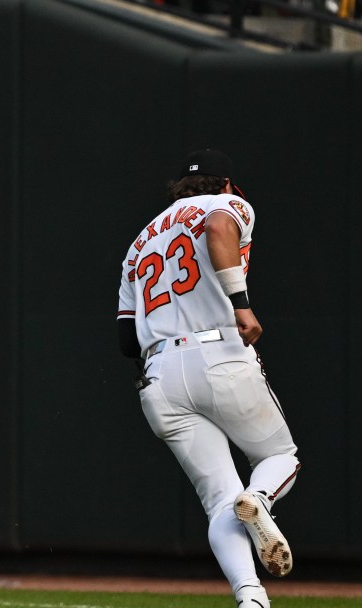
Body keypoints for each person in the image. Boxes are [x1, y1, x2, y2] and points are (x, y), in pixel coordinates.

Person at [116, 149, 300, 608]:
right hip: (219, 352)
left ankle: (251, 598)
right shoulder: (225, 204)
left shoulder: (140, 242)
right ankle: (259, 497)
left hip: (159, 374)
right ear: (227, 184)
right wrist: (239, 302)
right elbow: (218, 228)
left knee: (221, 498)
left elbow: (125, 337)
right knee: (281, 456)